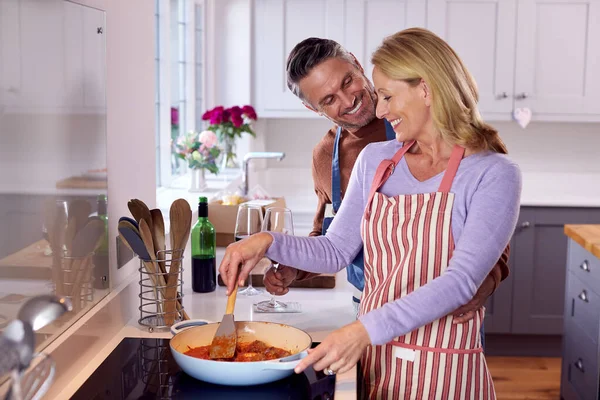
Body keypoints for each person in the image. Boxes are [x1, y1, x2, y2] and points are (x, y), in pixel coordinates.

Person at [220, 28, 521, 398]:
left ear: (425, 89)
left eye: (387, 95)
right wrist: (265, 242)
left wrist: (362, 329)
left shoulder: (494, 172)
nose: (376, 108)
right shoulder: (376, 159)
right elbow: (336, 250)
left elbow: (461, 281)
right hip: (377, 354)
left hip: (443, 360)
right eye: (330, 98)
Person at [264, 37, 510, 329]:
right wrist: (295, 266)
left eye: (347, 82)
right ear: (314, 109)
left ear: (357, 63)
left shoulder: (434, 130)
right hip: (369, 306)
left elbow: (491, 228)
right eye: (328, 100)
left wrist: (484, 282)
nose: (348, 100)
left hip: (448, 312)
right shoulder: (326, 156)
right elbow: (332, 238)